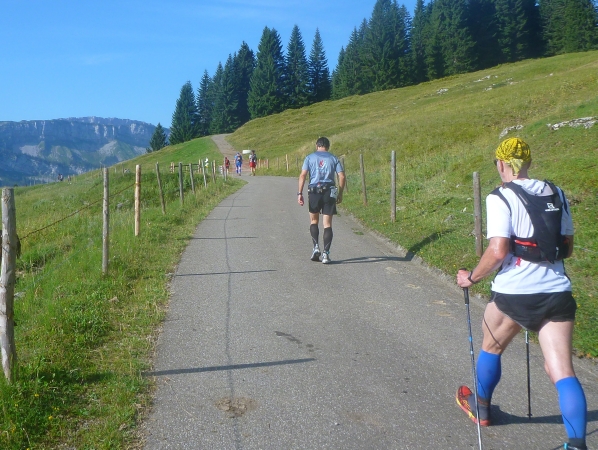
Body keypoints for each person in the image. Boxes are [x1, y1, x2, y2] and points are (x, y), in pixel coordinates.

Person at [456, 138, 587, 450]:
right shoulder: (556, 192)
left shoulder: (500, 196)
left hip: (514, 292)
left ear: (502, 164)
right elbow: (567, 247)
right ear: (527, 162)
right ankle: (576, 444)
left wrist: (471, 278)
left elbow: (498, 250)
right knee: (562, 370)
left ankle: (481, 407)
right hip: (556, 291)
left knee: (491, 347)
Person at [297, 137, 346, 264]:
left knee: (314, 221)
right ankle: (326, 254)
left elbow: (303, 175)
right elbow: (341, 176)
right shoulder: (334, 158)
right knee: (327, 224)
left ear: (316, 145)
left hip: (314, 191)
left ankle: (316, 248)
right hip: (329, 191)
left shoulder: (309, 157)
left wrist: (299, 193)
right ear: (328, 146)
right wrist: (340, 193)